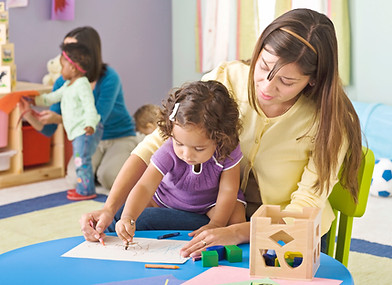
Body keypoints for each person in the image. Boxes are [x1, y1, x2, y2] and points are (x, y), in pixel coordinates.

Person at [80, 8, 362, 259]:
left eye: (287, 81)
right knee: (120, 217)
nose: (266, 86)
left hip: (286, 230)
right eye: (262, 67)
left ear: (313, 79)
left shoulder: (330, 121)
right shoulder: (228, 77)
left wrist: (239, 232)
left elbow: (304, 208)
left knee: (149, 224)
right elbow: (157, 143)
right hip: (222, 216)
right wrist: (109, 206)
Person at [115, 80, 246, 245]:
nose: (187, 154)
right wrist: (128, 217)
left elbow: (229, 189)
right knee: (125, 212)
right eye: (179, 144)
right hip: (166, 200)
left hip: (211, 204)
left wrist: (216, 224)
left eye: (198, 148)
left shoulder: (228, 148)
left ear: (220, 137)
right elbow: (145, 186)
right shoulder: (168, 149)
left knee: (236, 217)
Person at [19, 26, 139, 191]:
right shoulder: (63, 82)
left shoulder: (109, 77)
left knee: (110, 178)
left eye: (71, 50)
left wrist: (58, 119)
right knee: (76, 180)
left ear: (87, 54)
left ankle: (130, 157)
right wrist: (28, 114)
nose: (65, 55)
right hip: (90, 141)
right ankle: (99, 169)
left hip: (118, 136)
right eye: (64, 49)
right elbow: (48, 129)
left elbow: (96, 120)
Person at [25, 43, 103, 200]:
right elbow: (51, 97)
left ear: (73, 68)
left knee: (82, 161)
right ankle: (83, 188)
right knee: (80, 160)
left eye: (62, 67)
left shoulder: (82, 85)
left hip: (85, 130)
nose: (60, 71)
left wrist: (90, 124)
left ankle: (86, 190)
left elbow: (90, 106)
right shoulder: (68, 86)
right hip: (77, 131)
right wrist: (35, 100)